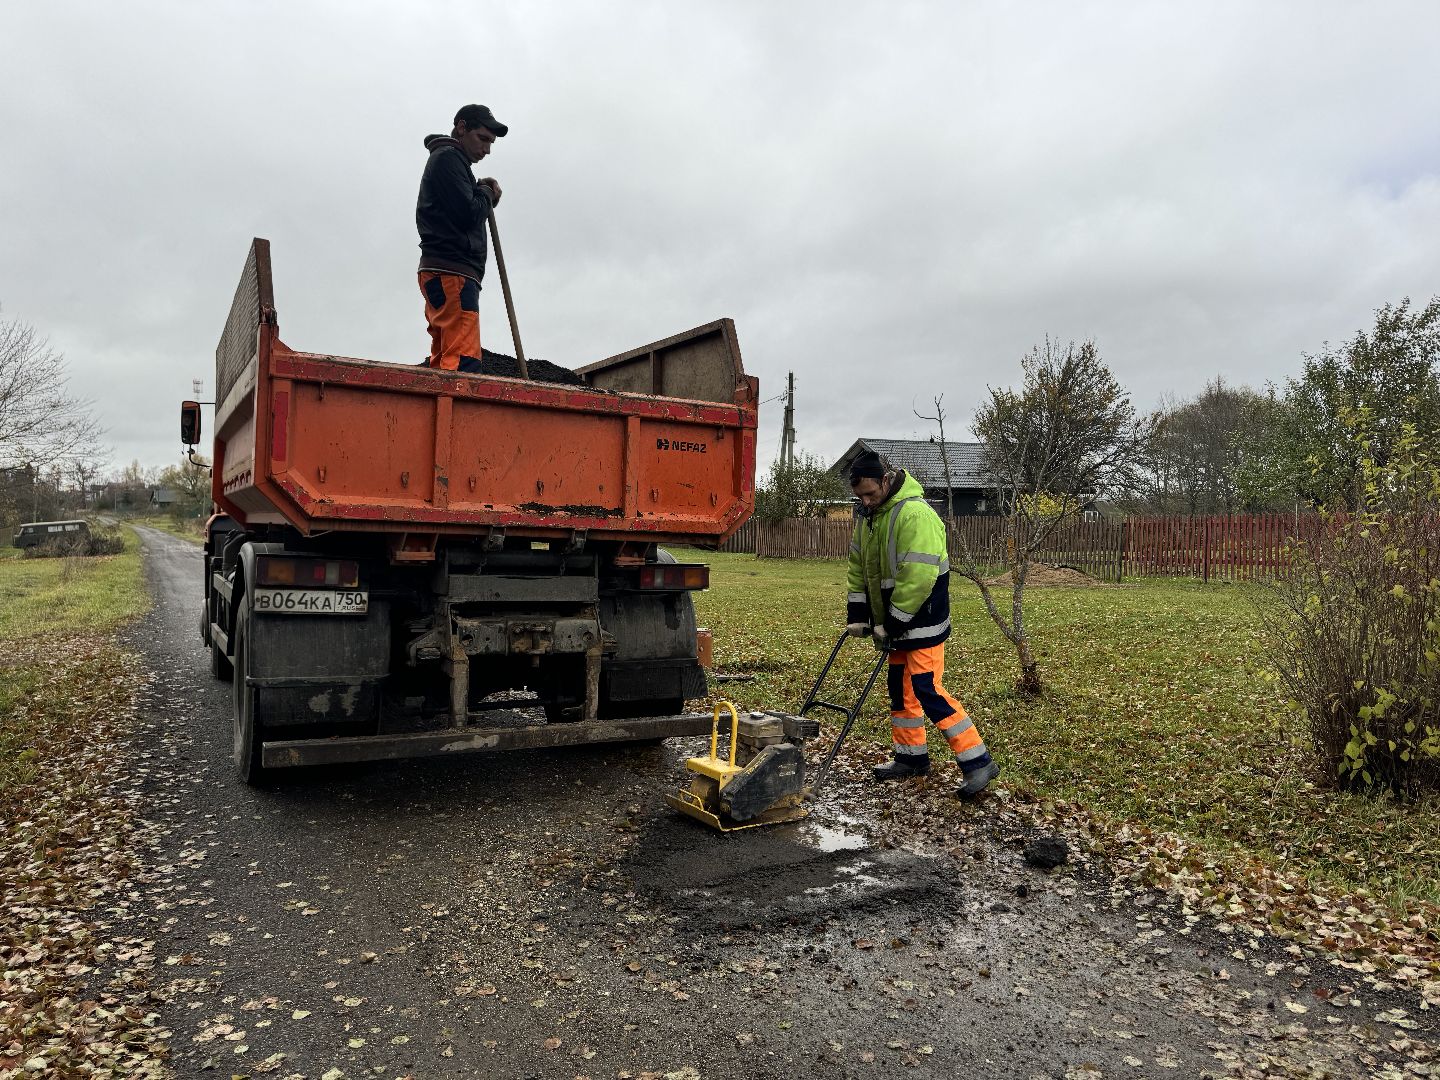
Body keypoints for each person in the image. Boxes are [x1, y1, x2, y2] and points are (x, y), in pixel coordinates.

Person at [844, 450, 1000, 799]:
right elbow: (858, 569)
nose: (866, 502)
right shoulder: (870, 519)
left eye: (870, 493)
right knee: (900, 690)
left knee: (929, 690)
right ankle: (911, 758)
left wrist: (894, 620)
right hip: (894, 626)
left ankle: (978, 761)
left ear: (886, 480)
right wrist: (858, 616)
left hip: (922, 621)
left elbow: (919, 577)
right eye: (860, 497)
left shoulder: (915, 514)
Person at [416, 103, 508, 371]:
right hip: (453, 273)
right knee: (461, 360)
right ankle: (458, 411)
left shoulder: (451, 162)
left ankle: (441, 408)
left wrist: (480, 191)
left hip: (443, 271)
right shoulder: (448, 159)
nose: (487, 149)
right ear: (461, 127)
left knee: (446, 353)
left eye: (491, 143)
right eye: (482, 139)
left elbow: (463, 209)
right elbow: (469, 214)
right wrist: (486, 193)